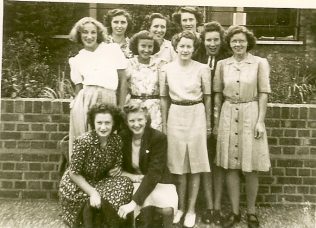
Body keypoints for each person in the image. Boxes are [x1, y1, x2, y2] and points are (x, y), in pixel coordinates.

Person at [213, 25, 271, 228]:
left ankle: (252, 212)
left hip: (250, 113)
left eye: (242, 41)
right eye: (234, 41)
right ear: (229, 44)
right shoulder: (222, 64)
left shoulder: (259, 63)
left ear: (248, 43)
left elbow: (264, 92)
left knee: (251, 166)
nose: (238, 44)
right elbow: (218, 94)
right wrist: (218, 120)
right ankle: (236, 212)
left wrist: (260, 121)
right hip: (228, 115)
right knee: (230, 166)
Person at [160, 31, 211, 228]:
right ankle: (180, 207)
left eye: (189, 46)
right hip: (175, 115)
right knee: (178, 166)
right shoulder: (166, 69)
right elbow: (164, 98)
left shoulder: (202, 69)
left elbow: (207, 97)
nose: (185, 49)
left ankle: (191, 210)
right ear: (176, 47)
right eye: (182, 46)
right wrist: (164, 124)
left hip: (196, 114)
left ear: (194, 48)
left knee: (196, 165)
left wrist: (207, 124)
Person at [59, 103, 134, 228]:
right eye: (99, 123)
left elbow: (114, 171)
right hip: (78, 187)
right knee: (98, 201)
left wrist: (117, 171)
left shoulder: (116, 141)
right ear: (93, 123)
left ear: (113, 123)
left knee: (125, 183)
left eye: (107, 123)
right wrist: (93, 193)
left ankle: (95, 217)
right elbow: (73, 173)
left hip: (99, 182)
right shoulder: (84, 141)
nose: (103, 127)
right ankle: (95, 217)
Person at [68, 17, 128, 160]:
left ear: (98, 34)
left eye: (93, 32)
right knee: (85, 140)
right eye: (84, 32)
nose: (89, 36)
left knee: (107, 139)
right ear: (79, 35)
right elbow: (78, 88)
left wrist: (120, 107)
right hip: (85, 101)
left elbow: (123, 80)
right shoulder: (77, 59)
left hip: (108, 98)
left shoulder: (112, 50)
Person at [192, 21, 231, 225]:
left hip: (224, 116)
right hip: (200, 116)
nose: (213, 43)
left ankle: (217, 205)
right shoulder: (197, 58)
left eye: (216, 39)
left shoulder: (227, 60)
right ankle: (208, 206)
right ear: (203, 41)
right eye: (209, 40)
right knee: (204, 161)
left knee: (219, 163)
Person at [117, 101, 178, 228]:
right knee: (135, 214)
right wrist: (133, 177)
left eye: (140, 119)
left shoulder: (158, 138)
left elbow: (154, 173)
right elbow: (117, 169)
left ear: (146, 119)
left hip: (158, 182)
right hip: (135, 181)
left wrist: (134, 202)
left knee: (166, 209)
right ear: (126, 122)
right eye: (132, 121)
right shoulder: (123, 137)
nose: (136, 124)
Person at [126, 30, 164, 131]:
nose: (146, 50)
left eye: (150, 46)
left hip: (155, 108)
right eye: (143, 46)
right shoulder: (129, 64)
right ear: (136, 46)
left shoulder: (160, 64)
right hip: (135, 107)